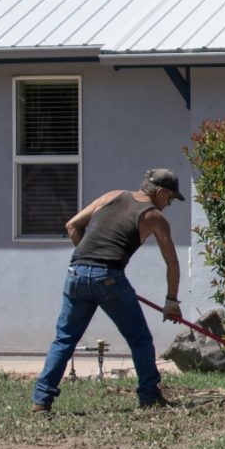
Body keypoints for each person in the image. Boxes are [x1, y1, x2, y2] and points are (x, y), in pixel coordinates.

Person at [32, 168, 187, 412]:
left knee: (64, 340)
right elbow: (172, 263)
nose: (169, 204)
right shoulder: (153, 217)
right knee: (140, 340)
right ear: (159, 192)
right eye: (170, 198)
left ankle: (41, 401)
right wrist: (171, 301)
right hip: (109, 279)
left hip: (76, 274)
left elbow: (72, 225)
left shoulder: (112, 196)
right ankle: (149, 397)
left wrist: (89, 264)